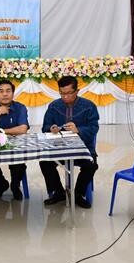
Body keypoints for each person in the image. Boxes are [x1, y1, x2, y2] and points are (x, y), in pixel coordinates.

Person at [39, 76, 99, 209]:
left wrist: (78, 130)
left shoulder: (89, 106)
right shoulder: (54, 106)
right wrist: (51, 128)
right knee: (44, 162)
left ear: (77, 91)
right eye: (62, 93)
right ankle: (59, 192)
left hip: (82, 148)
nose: (65, 97)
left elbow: (94, 128)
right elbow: (45, 127)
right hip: (58, 148)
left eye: (68, 93)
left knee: (91, 165)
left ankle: (78, 194)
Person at [0, 79, 29, 200]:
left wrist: (0, 131)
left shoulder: (20, 107)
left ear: (13, 93)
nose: (5, 94)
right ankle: (1, 184)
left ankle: (15, 185)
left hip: (15, 145)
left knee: (19, 162)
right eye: (1, 91)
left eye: (8, 91)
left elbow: (23, 129)